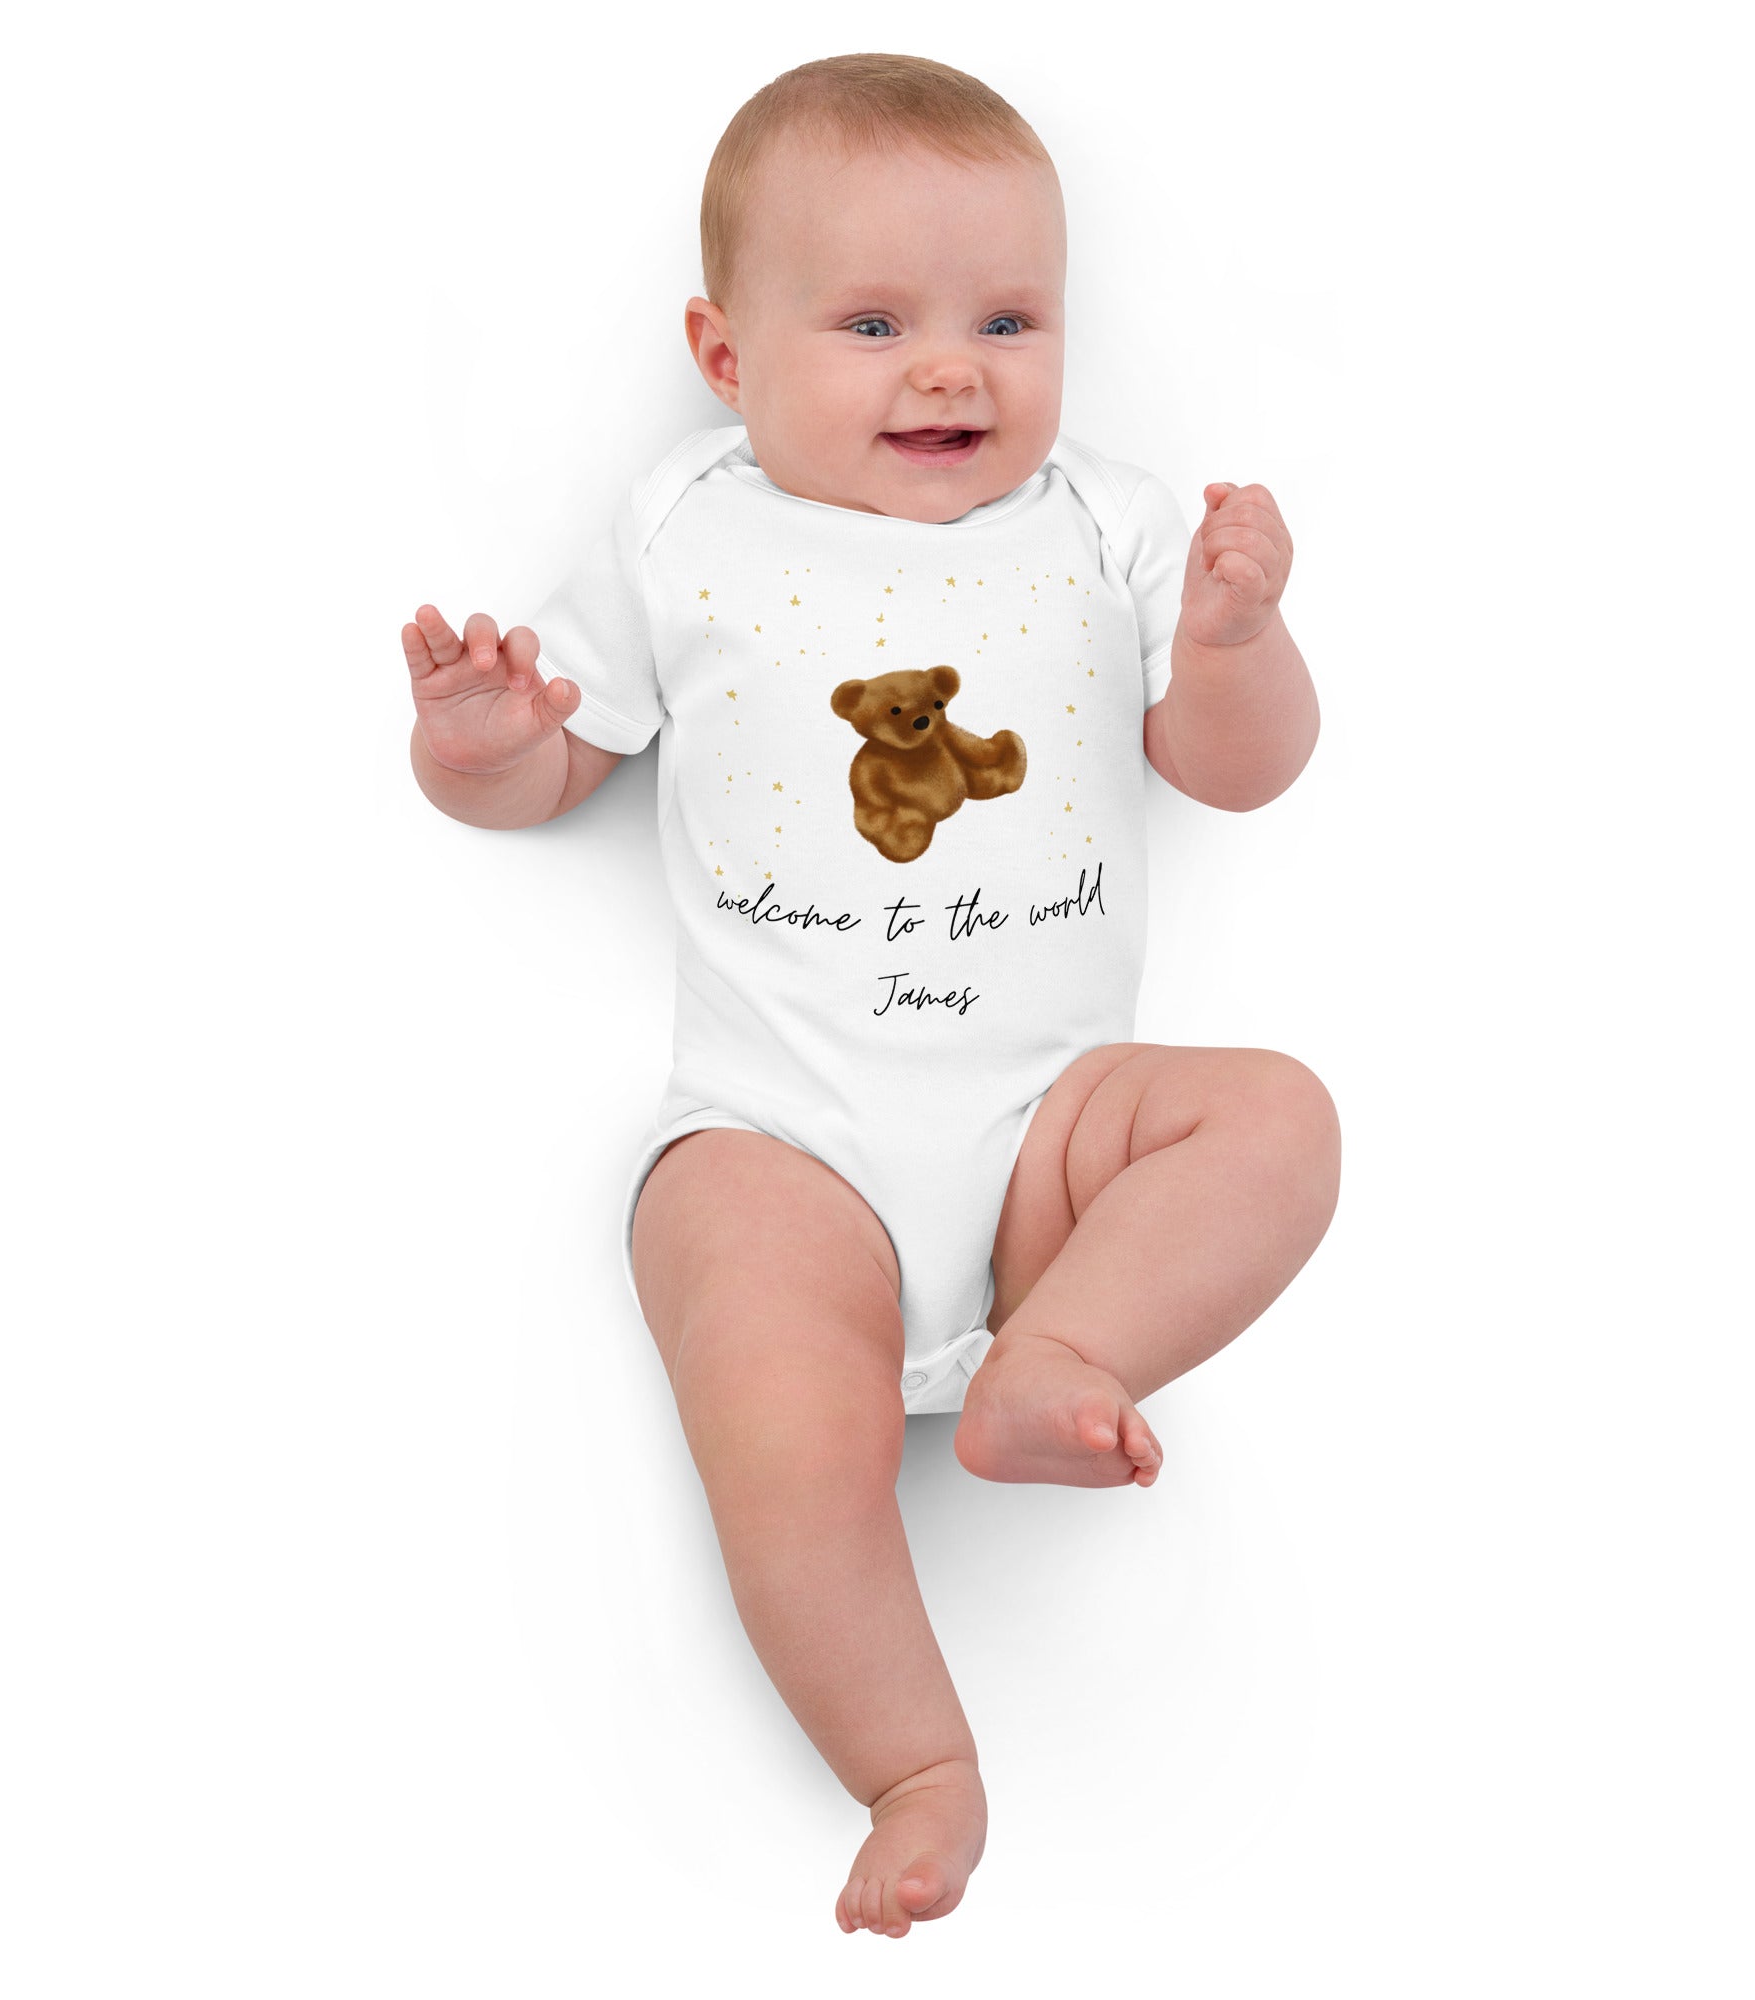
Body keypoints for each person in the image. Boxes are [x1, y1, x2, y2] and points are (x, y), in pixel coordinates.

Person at [401, 51, 1340, 1940]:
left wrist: (1239, 640)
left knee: (1277, 1119)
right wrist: (484, 743)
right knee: (775, 1420)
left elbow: (1236, 773)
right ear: (725, 355)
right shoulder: (683, 526)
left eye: (1007, 320)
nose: (949, 372)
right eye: (875, 324)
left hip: (1051, 1146)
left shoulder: (1108, 523)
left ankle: (1062, 1354)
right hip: (785, 1142)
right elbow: (557, 772)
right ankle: (914, 1759)